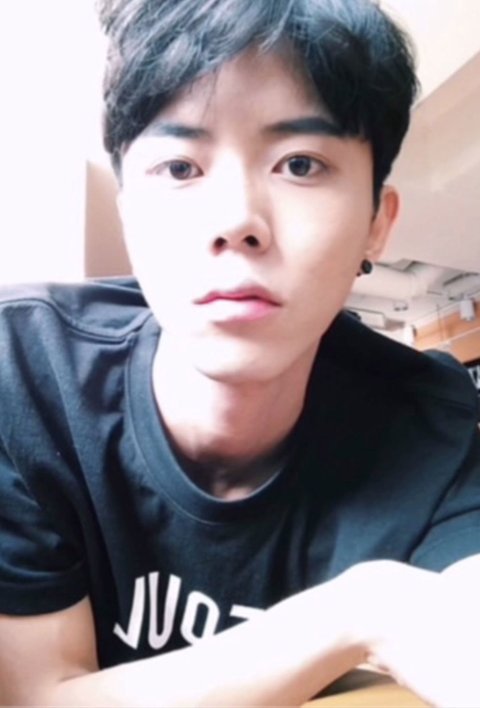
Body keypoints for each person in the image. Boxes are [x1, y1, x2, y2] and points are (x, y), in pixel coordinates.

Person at [0, 0, 479, 705]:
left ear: (377, 224)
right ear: (127, 212)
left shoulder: (435, 429)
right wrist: (359, 612)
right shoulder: (24, 380)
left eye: (300, 163)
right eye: (179, 167)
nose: (235, 221)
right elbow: (36, 696)